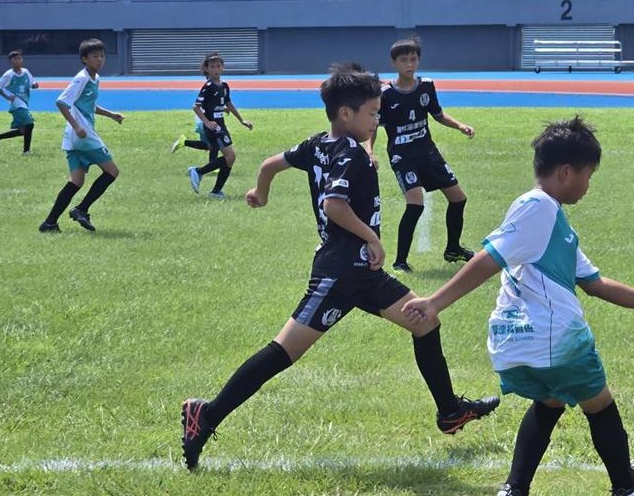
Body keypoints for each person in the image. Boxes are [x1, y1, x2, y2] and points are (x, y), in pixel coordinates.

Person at [180, 63, 499, 472]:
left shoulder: (318, 143)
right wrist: (372, 238)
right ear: (346, 114)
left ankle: (450, 411)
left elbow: (270, 164)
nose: (377, 120)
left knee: (425, 320)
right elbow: (334, 206)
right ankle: (205, 415)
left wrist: (261, 192)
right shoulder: (351, 153)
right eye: (372, 113)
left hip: (363, 273)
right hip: (339, 273)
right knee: (283, 352)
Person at [404, 117, 634, 496]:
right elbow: (489, 258)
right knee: (600, 404)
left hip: (514, 343)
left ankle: (514, 489)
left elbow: (595, 284)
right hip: (555, 338)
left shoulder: (554, 225)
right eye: (588, 175)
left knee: (550, 401)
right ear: (565, 172)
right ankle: (627, 484)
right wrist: (435, 303)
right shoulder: (538, 207)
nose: (589, 185)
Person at [371, 36, 477, 273]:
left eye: (414, 59)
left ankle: (453, 249)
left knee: (458, 198)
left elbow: (438, 114)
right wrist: (370, 151)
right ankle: (400, 261)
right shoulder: (385, 94)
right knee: (415, 203)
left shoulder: (427, 85)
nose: (410, 64)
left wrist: (460, 125)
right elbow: (374, 126)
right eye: (404, 60)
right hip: (403, 157)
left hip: (428, 153)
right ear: (394, 63)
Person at [39, 38, 124, 233]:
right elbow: (61, 102)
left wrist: (111, 115)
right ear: (84, 59)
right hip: (83, 136)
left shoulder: (94, 78)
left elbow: (88, 105)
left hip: (73, 138)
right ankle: (81, 210)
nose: (100, 60)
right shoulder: (82, 78)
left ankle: (49, 223)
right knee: (112, 172)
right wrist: (77, 126)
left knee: (76, 182)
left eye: (102, 56)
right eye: (95, 56)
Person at [186, 53, 253, 200]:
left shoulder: (224, 86)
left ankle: (216, 191)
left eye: (218, 66)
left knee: (230, 158)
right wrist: (207, 122)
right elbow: (196, 106)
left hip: (221, 124)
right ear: (206, 69)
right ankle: (198, 171)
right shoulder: (208, 86)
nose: (216, 69)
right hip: (213, 127)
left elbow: (228, 103)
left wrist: (241, 120)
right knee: (230, 156)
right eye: (212, 67)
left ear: (223, 67)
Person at [0, 50, 39, 154]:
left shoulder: (26, 72)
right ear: (11, 61)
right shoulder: (9, 74)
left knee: (23, 131)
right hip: (16, 104)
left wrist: (35, 85)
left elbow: (32, 83)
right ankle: (26, 151)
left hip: (24, 102)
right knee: (30, 124)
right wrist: (7, 97)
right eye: (15, 59)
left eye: (20, 58)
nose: (18, 61)